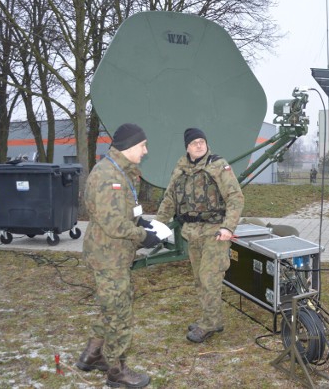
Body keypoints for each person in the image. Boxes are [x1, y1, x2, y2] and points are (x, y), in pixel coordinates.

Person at [76, 123, 161, 388]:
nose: (146, 151)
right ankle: (117, 372)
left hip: (116, 254)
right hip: (107, 254)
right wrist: (142, 236)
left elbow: (125, 211)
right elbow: (112, 223)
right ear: (128, 147)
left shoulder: (124, 172)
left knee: (112, 306)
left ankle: (92, 355)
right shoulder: (106, 176)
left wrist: (141, 223)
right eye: (142, 146)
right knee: (119, 312)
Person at [155, 128, 244, 343]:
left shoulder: (218, 165)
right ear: (187, 147)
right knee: (199, 279)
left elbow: (236, 197)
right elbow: (169, 199)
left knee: (209, 277)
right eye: (194, 142)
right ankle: (211, 318)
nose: (199, 145)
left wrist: (228, 227)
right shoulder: (181, 169)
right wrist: (157, 226)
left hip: (215, 232)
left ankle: (210, 323)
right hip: (192, 233)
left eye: (202, 141)